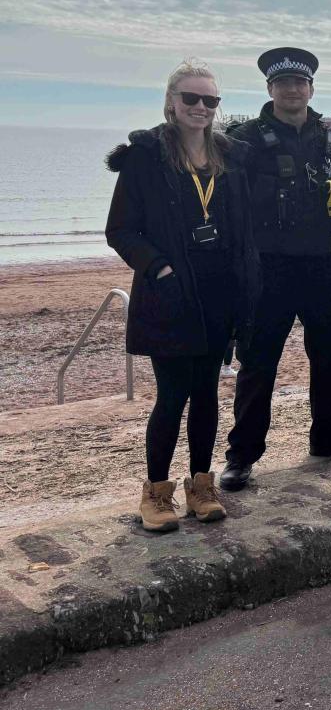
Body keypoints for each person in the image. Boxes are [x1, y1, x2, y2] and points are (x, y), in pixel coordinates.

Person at [105, 61, 259, 532]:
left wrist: (245, 291)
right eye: (190, 98)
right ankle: (155, 494)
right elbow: (120, 230)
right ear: (171, 101)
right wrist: (161, 268)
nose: (199, 108)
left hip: (219, 295)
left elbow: (242, 230)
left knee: (207, 394)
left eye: (209, 100)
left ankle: (201, 486)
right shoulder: (145, 157)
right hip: (171, 295)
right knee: (172, 396)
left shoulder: (231, 159)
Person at [220, 48, 331, 492]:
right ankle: (242, 455)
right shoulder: (242, 141)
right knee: (258, 363)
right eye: (283, 83)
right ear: (270, 89)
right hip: (266, 270)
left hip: (321, 263)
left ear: (310, 89)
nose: (292, 90)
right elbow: (225, 206)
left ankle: (327, 436)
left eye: (299, 83)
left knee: (330, 356)